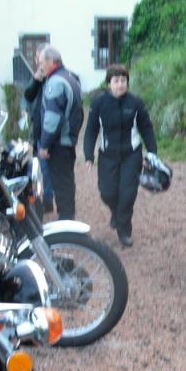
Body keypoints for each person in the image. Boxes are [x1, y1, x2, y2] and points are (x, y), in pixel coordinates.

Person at [83, 64, 158, 247]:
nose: (120, 84)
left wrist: (152, 152)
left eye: (123, 80)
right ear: (109, 83)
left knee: (128, 194)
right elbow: (91, 130)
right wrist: (88, 155)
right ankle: (116, 214)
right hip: (107, 155)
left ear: (127, 82)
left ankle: (124, 230)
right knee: (107, 192)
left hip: (131, 155)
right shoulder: (99, 104)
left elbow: (146, 128)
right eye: (116, 81)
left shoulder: (135, 103)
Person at [37, 45, 83, 221]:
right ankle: (68, 217)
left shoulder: (55, 82)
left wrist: (45, 144)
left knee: (61, 183)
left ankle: (66, 221)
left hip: (58, 143)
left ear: (51, 61)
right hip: (68, 141)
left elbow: (52, 118)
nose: (40, 66)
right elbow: (79, 113)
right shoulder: (71, 78)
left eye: (41, 61)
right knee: (67, 181)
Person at [23, 50, 54, 214]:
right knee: (41, 168)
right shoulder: (38, 77)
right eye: (37, 58)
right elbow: (28, 96)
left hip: (50, 128)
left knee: (48, 168)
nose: (37, 62)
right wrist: (36, 80)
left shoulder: (56, 77)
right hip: (39, 128)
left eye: (40, 59)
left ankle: (49, 199)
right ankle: (45, 200)